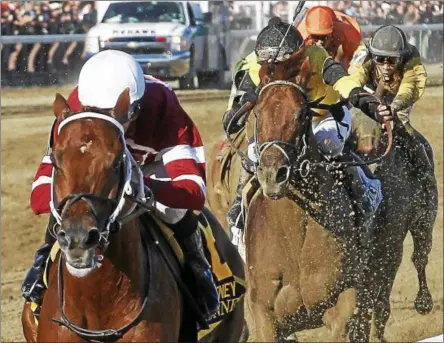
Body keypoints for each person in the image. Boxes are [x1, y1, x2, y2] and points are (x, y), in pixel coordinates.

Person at [21, 50, 219, 321]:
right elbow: (39, 198)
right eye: (96, 114)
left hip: (150, 165)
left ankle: (198, 265)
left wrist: (143, 187)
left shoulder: (163, 106)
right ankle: (43, 258)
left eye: (116, 114)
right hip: (103, 168)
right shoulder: (73, 113)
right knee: (70, 202)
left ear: (135, 108)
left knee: (173, 211)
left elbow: (193, 191)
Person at [223, 17, 389, 249]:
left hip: (327, 117)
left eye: (286, 67)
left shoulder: (317, 57)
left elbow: (344, 83)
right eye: (270, 66)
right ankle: (239, 211)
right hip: (284, 122)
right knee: (253, 151)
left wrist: (370, 105)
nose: (277, 72)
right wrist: (235, 113)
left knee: (327, 143)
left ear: (297, 58)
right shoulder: (253, 62)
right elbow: (238, 103)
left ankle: (363, 189)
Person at [348, 24, 431, 171]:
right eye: (380, 59)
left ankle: (426, 177)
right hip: (367, 93)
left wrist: (393, 108)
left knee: (409, 134)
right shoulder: (364, 51)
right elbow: (354, 78)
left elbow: (408, 88)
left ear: (401, 57)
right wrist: (361, 98)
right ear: (373, 55)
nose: (386, 66)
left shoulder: (411, 57)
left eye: (392, 60)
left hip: (397, 98)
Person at [297, 5, 362, 70]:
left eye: (323, 37)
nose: (320, 42)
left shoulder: (345, 35)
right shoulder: (300, 38)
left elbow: (353, 65)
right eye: (315, 37)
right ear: (309, 35)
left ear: (331, 33)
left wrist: (337, 60)